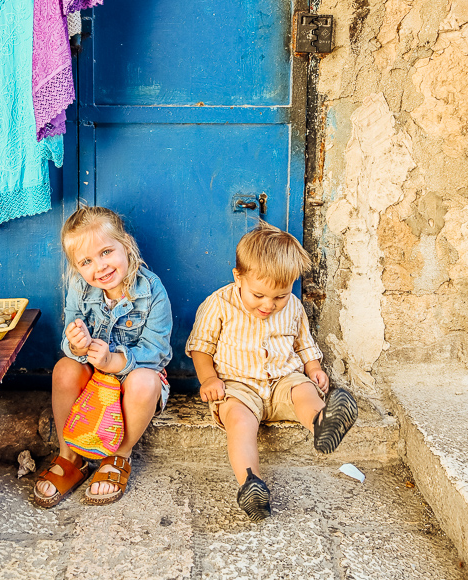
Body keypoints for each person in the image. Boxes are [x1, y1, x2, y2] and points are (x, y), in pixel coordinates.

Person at [186, 221, 358, 522]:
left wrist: (314, 368)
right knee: (239, 423)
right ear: (238, 276)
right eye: (259, 296)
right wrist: (209, 379)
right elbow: (201, 346)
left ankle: (322, 423)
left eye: (279, 296)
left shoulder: (292, 306)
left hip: (282, 379)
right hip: (237, 386)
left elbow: (303, 342)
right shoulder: (218, 304)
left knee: (303, 389)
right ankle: (251, 482)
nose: (269, 305)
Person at [33, 205, 172, 508]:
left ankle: (117, 456)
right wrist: (78, 345)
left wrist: (114, 362)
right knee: (65, 368)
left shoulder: (152, 290)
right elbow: (70, 341)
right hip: (93, 381)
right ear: (76, 267)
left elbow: (156, 351)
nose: (100, 267)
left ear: (126, 244)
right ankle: (71, 458)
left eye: (107, 252)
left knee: (145, 382)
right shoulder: (79, 287)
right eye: (86, 261)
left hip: (132, 378)